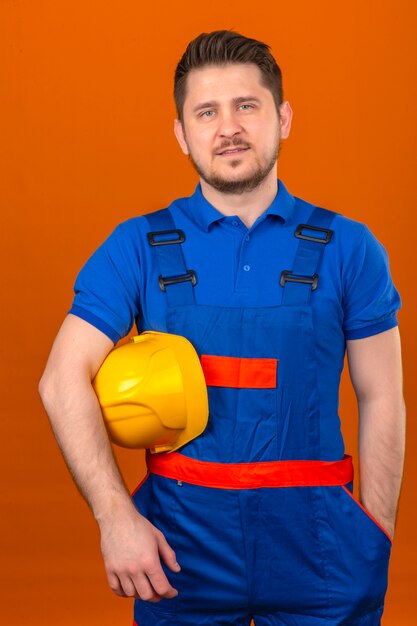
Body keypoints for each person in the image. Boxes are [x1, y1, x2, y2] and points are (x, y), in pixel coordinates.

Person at [39, 30, 405, 626]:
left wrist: (376, 533)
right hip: (180, 552)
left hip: (321, 550)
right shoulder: (136, 246)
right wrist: (115, 517)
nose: (227, 127)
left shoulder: (349, 248)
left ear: (283, 117)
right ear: (181, 132)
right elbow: (60, 381)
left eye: (247, 105)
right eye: (206, 111)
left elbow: (382, 394)